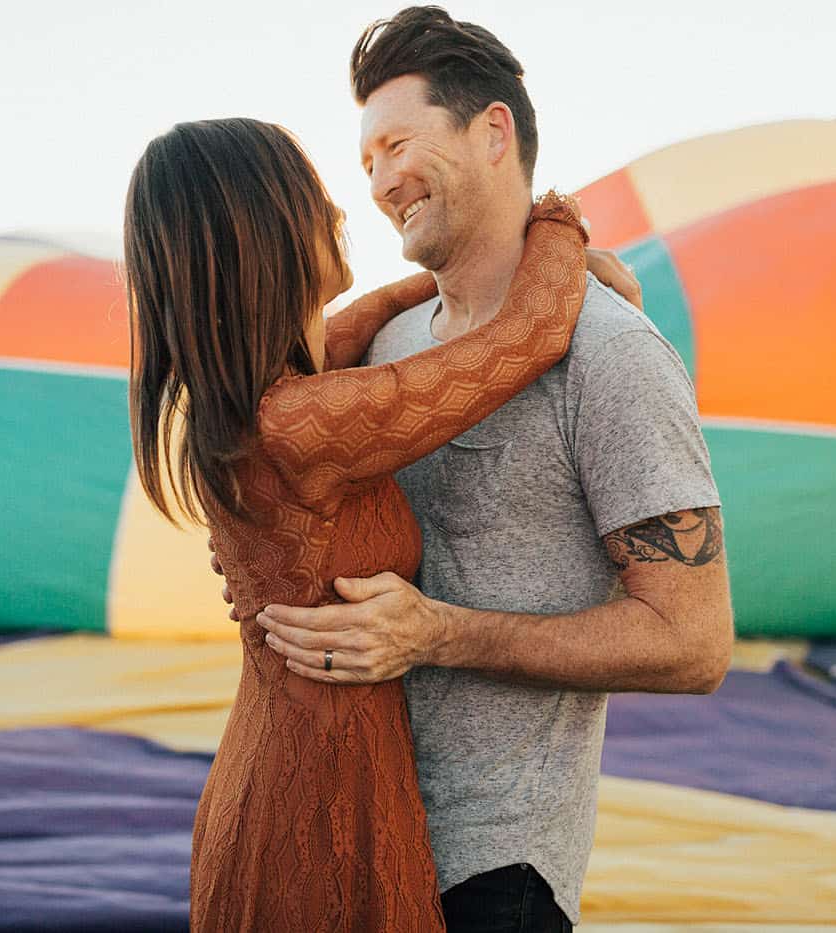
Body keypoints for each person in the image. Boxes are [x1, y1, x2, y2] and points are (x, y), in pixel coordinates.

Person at [250, 8, 734, 932]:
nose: (382, 182)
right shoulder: (384, 347)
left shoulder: (612, 354)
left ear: (493, 131)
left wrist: (436, 633)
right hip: (350, 839)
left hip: (496, 867)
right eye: (366, 163)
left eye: (398, 143)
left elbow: (695, 642)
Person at [123, 117, 607, 931]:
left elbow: (370, 314)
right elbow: (529, 337)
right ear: (266, 238)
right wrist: (555, 222)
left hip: (290, 763)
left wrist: (473, 267)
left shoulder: (254, 401)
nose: (340, 212)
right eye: (312, 199)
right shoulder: (301, 425)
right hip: (315, 801)